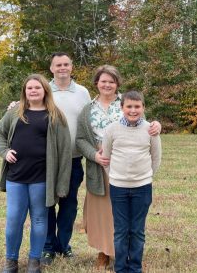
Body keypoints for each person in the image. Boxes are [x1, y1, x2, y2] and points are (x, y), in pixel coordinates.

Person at [76, 65, 161, 269]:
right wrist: (95, 155)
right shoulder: (88, 109)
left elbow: (146, 130)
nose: (107, 85)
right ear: (96, 83)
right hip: (101, 164)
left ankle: (131, 256)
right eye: (103, 81)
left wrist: (156, 125)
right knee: (103, 213)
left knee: (128, 218)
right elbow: (80, 139)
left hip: (129, 167)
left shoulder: (128, 103)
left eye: (111, 81)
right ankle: (104, 252)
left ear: (117, 84)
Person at [0, 74, 71, 273]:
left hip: (41, 179)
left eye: (37, 87)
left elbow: (64, 152)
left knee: (38, 219)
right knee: (14, 219)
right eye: (29, 88)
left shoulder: (55, 116)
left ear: (45, 90)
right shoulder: (15, 112)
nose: (33, 90)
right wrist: (5, 151)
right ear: (25, 92)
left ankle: (34, 261)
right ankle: (11, 261)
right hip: (16, 177)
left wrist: (61, 184)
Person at [102, 90, 161, 273]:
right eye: (129, 106)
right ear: (122, 108)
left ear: (143, 108)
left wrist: (145, 176)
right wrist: (116, 176)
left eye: (137, 106)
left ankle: (135, 267)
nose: (133, 110)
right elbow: (106, 157)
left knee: (137, 230)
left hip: (142, 188)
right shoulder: (112, 129)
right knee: (121, 231)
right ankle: (120, 268)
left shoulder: (150, 130)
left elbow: (156, 158)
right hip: (118, 187)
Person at [41, 52, 91, 264]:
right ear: (51, 68)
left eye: (66, 64)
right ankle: (48, 247)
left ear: (72, 67)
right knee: (47, 205)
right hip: (47, 161)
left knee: (69, 205)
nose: (62, 68)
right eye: (58, 65)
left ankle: (64, 245)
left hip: (73, 159)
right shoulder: (43, 90)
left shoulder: (82, 92)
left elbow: (91, 120)